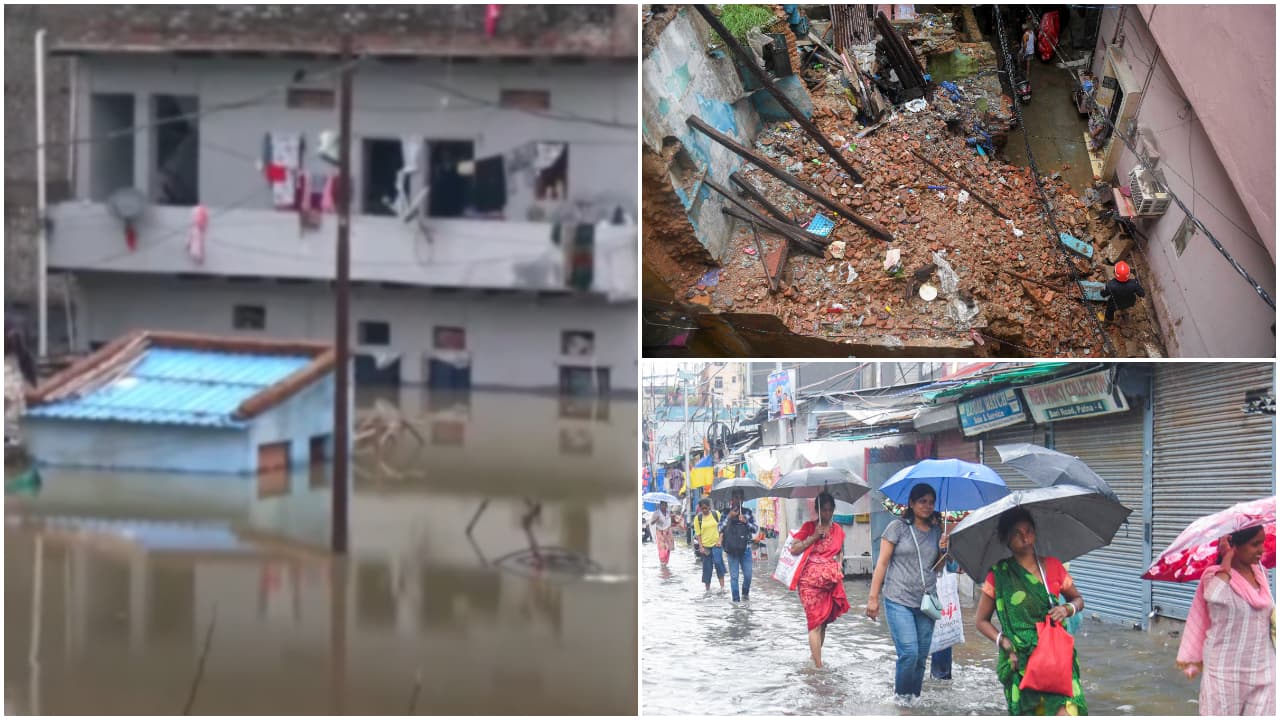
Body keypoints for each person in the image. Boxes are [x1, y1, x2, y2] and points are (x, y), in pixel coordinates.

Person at [975, 507, 1088, 716]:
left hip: (1056, 655)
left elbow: (1078, 600)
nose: (1025, 538)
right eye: (1017, 534)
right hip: (1020, 658)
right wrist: (1005, 642)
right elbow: (981, 621)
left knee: (1066, 711)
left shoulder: (1053, 567)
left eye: (1028, 531)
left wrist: (1066, 608)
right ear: (1006, 540)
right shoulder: (999, 575)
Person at [1177, 525, 1275, 716]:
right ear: (1234, 545)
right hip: (1225, 674)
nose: (1262, 550)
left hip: (1263, 670)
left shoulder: (1261, 574)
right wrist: (1227, 560)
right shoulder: (1214, 575)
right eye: (1255, 544)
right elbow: (1214, 596)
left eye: (1262, 543)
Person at [867, 484, 946, 698]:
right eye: (922, 501)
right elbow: (882, 563)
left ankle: (914, 701)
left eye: (931, 502)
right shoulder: (897, 527)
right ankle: (902, 702)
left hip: (927, 601)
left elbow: (937, 568)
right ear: (911, 503)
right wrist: (873, 598)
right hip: (898, 599)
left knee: (921, 657)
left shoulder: (937, 531)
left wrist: (945, 549)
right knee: (909, 653)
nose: (927, 506)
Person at [790, 491, 849, 668]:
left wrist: (838, 564)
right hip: (809, 583)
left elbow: (839, 552)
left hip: (829, 582)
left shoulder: (838, 530)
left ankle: (814, 658)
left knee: (823, 623)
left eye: (830, 510)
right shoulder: (809, 527)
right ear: (817, 510)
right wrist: (814, 536)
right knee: (815, 622)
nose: (827, 514)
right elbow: (794, 549)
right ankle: (819, 666)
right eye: (824, 510)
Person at [719, 488, 758, 602]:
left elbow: (755, 529)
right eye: (736, 497)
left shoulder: (747, 512)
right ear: (732, 499)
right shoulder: (725, 512)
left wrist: (746, 522)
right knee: (734, 577)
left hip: (745, 549)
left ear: (742, 499)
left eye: (740, 497)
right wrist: (729, 518)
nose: (738, 500)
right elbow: (719, 528)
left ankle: (745, 595)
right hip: (731, 549)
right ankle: (736, 602)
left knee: (748, 576)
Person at [693, 498, 726, 591]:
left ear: (709, 507)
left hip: (717, 544)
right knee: (707, 568)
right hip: (705, 547)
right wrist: (701, 546)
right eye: (702, 509)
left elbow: (722, 529)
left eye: (706, 508)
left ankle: (722, 587)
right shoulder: (698, 519)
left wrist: (720, 540)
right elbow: (698, 534)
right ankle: (707, 590)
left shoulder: (716, 514)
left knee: (718, 562)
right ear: (700, 508)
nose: (704, 510)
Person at [650, 501, 675, 568]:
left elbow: (673, 522)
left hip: (668, 532)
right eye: (662, 505)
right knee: (662, 547)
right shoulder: (656, 513)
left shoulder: (669, 512)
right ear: (660, 506)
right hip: (660, 532)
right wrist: (656, 519)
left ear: (666, 506)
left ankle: (666, 563)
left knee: (668, 548)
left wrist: (672, 517)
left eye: (665, 505)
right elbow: (651, 523)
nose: (663, 507)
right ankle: (662, 562)